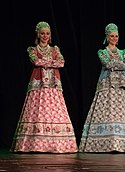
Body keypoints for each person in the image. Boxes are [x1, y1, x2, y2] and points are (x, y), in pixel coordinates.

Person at [10, 21, 78, 153]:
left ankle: (58, 144)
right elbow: (35, 61)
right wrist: (52, 62)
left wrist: (46, 63)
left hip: (53, 85)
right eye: (42, 33)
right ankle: (35, 144)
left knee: (55, 111)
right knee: (37, 110)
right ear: (38, 34)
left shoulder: (55, 49)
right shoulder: (32, 49)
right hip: (38, 84)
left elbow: (62, 62)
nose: (45, 36)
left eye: (47, 33)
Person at [79, 23, 125, 153]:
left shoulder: (123, 52)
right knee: (106, 112)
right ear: (107, 37)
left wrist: (115, 65)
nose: (114, 38)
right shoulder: (102, 52)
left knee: (122, 113)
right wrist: (120, 64)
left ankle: (123, 144)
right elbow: (106, 63)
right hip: (106, 86)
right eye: (112, 36)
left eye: (116, 36)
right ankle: (104, 142)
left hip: (121, 87)